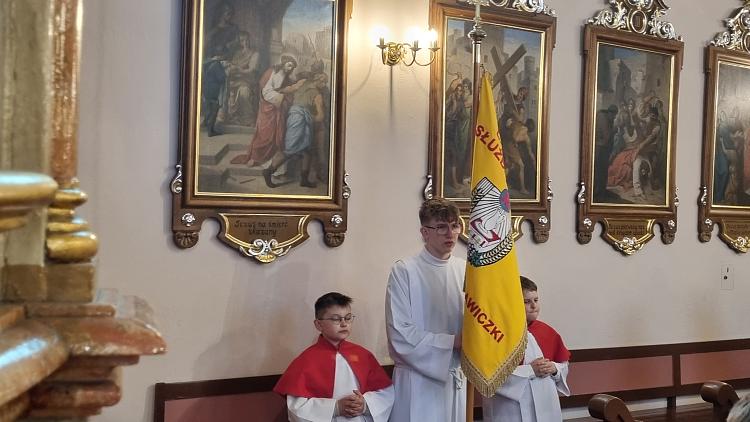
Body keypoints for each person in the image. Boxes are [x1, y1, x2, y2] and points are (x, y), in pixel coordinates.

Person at [385, 198, 466, 422]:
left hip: (456, 378)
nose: (450, 233)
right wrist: (454, 342)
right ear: (425, 232)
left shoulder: (465, 269)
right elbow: (400, 333)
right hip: (417, 381)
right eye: (441, 227)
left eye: (455, 225)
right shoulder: (405, 271)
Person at [274, 292, 394, 422]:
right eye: (336, 319)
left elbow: (385, 393)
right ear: (319, 324)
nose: (344, 323)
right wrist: (335, 408)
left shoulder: (363, 355)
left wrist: (365, 405)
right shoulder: (306, 360)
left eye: (348, 318)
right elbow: (296, 407)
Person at [482, 276, 570, 422]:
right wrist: (530, 370)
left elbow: (564, 365)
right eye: (526, 301)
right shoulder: (496, 333)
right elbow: (489, 376)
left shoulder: (547, 331)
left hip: (546, 404)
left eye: (536, 300)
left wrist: (554, 368)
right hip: (510, 410)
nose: (534, 306)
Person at [230, 55, 306, 166]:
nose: (290, 68)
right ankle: (256, 157)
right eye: (289, 65)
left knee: (274, 135)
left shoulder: (285, 76)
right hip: (268, 107)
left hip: (275, 108)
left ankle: (269, 157)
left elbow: (283, 88)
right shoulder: (273, 72)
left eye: (292, 67)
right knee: (264, 134)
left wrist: (288, 90)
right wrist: (283, 94)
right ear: (283, 63)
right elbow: (266, 90)